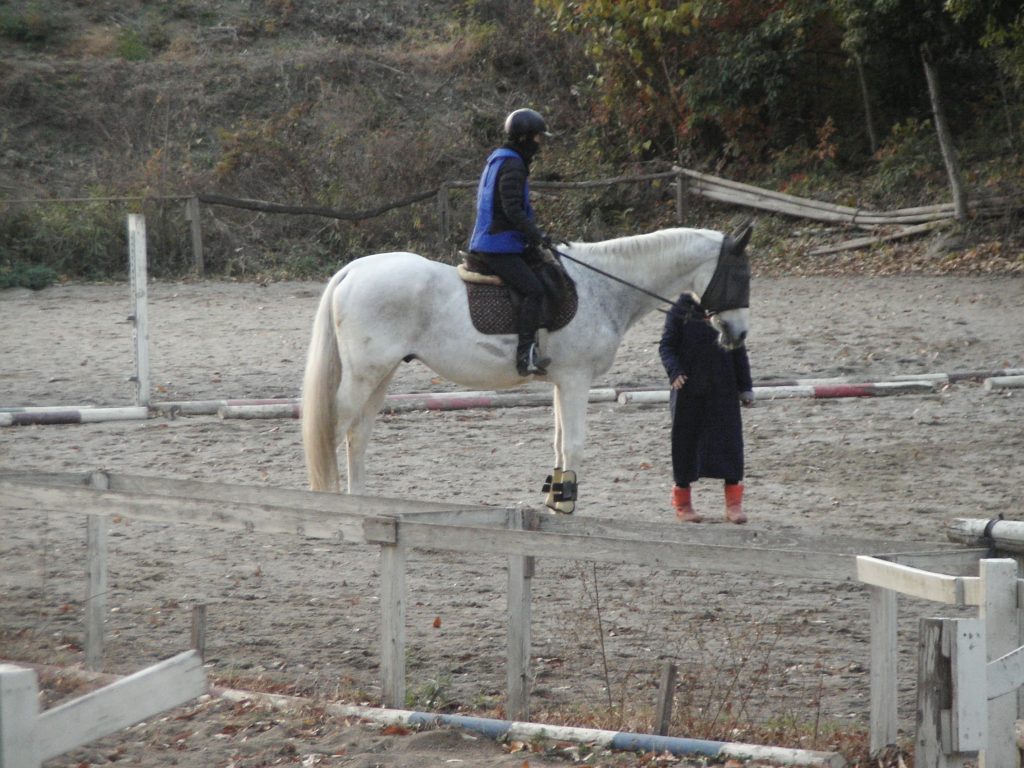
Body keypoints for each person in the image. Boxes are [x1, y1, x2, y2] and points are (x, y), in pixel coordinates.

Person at [468, 108, 554, 376]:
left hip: (496, 239)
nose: (539, 144)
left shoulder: (499, 159)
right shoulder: (514, 165)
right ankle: (525, 355)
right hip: (497, 245)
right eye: (537, 138)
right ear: (525, 137)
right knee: (534, 290)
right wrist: (536, 235)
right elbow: (512, 210)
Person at [659, 293, 754, 524]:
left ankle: (733, 505)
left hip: (724, 387)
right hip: (687, 389)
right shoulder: (680, 309)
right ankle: (683, 504)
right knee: (685, 445)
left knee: (730, 444)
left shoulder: (726, 308)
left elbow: (738, 349)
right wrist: (674, 372)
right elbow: (666, 346)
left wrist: (745, 387)